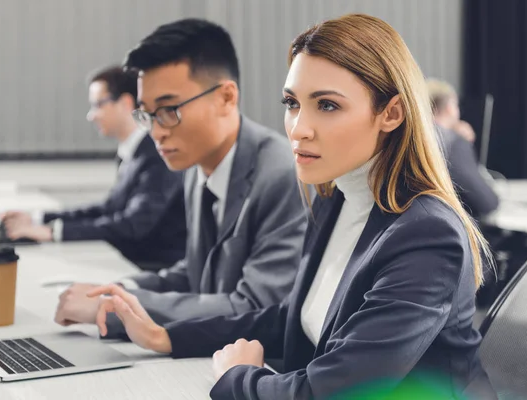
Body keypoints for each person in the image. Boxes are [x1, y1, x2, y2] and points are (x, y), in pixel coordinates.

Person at [88, 14, 497, 399]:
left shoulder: (426, 234)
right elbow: (294, 316)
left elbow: (336, 390)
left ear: (391, 113)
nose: (299, 128)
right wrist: (168, 337)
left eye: (328, 105)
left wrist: (238, 379)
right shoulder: (333, 199)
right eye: (292, 103)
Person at [54, 19, 305, 329]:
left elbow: (253, 306)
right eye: (147, 115)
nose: (156, 132)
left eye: (169, 110)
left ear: (226, 97)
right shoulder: (195, 163)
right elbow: (198, 272)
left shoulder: (281, 175)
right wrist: (121, 289)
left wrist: (113, 309)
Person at [0, 66, 186, 269]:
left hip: (154, 270)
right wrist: (40, 218)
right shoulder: (133, 151)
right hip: (130, 262)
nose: (91, 115)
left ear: (125, 103)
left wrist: (53, 232)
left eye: (98, 105)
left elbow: (134, 224)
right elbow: (109, 208)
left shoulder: (157, 154)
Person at [427, 78, 499, 219]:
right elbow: (486, 202)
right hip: (448, 227)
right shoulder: (454, 143)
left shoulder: (411, 138)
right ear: (449, 107)